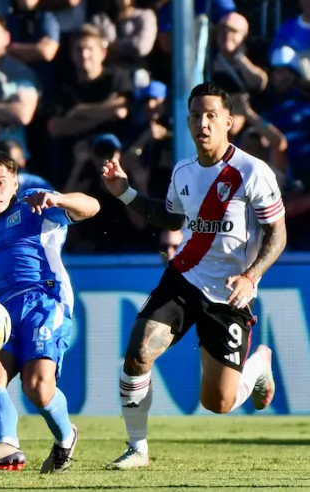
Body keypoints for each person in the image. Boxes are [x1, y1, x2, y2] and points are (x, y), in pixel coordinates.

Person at [101, 82, 286, 470]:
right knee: (137, 354)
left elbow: (278, 233)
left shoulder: (252, 171)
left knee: (217, 403)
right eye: (196, 116)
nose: (203, 123)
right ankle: (137, 448)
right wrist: (125, 193)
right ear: (187, 122)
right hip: (184, 279)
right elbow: (172, 218)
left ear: (229, 122)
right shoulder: (184, 171)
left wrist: (251, 276)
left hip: (230, 294)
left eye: (211, 115)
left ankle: (259, 364)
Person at [0, 149, 100, 474]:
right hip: (2, 312)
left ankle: (65, 436)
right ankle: (6, 445)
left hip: (44, 302)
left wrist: (58, 198)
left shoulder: (34, 207)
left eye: (0, 182)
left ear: (14, 183)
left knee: (37, 387)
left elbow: (92, 207)